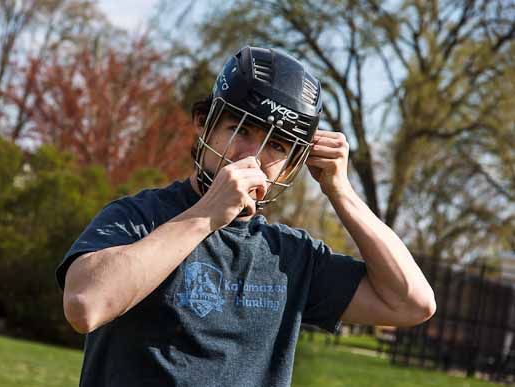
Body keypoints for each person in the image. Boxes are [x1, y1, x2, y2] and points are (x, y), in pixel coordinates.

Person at [56, 46, 436, 387]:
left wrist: (342, 192)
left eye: (277, 145)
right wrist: (206, 216)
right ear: (204, 125)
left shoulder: (291, 257)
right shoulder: (140, 216)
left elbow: (412, 303)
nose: (252, 155)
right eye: (242, 129)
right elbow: (85, 305)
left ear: (289, 168)